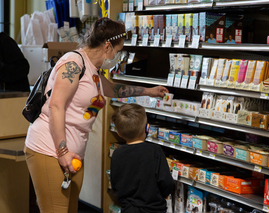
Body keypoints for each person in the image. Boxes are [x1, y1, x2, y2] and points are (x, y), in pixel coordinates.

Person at [24, 17, 169, 213]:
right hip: (49, 150)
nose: (117, 57)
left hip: (73, 154)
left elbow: (113, 89)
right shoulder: (73, 63)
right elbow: (56, 106)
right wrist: (63, 152)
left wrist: (148, 91)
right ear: (107, 46)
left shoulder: (92, 69)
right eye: (117, 52)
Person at [110, 104, 175, 213]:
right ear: (147, 128)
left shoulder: (117, 153)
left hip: (128, 209)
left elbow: (115, 184)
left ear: (119, 134)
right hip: (154, 209)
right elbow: (167, 183)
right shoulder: (155, 151)